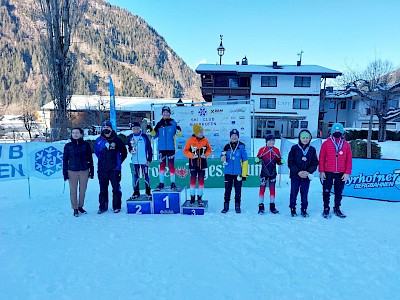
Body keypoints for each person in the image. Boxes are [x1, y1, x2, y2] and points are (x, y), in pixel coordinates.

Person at [319, 123, 352, 218]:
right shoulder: (326, 143)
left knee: (339, 192)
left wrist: (347, 173)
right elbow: (321, 157)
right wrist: (322, 171)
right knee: (326, 191)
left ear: (342, 132)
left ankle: (337, 208)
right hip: (328, 172)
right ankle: (326, 208)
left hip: (341, 173)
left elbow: (349, 160)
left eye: (339, 131)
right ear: (332, 132)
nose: (337, 133)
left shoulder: (346, 144)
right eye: (335, 131)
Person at [94, 120, 128, 214]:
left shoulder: (117, 140)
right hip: (102, 169)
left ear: (111, 128)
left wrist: (119, 161)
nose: (106, 129)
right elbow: (97, 153)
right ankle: (103, 207)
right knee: (103, 189)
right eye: (104, 128)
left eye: (107, 127)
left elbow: (124, 152)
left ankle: (116, 206)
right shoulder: (99, 140)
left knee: (116, 189)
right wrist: (103, 161)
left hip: (115, 169)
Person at [63, 127, 94, 217]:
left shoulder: (86, 145)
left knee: (83, 190)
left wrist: (91, 171)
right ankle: (75, 208)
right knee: (73, 191)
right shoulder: (68, 146)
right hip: (72, 171)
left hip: (84, 170)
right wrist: (65, 173)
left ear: (81, 134)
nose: (75, 134)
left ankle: (80, 206)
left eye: (77, 132)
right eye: (73, 133)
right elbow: (65, 160)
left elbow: (90, 159)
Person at [288, 130, 319, 217]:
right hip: (295, 175)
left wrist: (308, 172)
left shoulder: (312, 150)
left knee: (304, 193)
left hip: (306, 176)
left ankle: (304, 209)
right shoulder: (294, 148)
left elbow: (315, 163)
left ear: (310, 139)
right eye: (303, 138)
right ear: (300, 139)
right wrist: (298, 171)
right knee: (294, 192)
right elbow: (290, 162)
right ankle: (293, 209)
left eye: (307, 138)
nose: (305, 139)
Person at [151, 106, 182, 190]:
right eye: (164, 112)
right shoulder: (159, 123)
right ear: (162, 114)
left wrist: (179, 129)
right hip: (161, 148)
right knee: (162, 165)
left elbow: (179, 134)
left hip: (171, 147)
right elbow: (154, 135)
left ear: (169, 113)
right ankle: (161, 183)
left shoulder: (173, 122)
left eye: (167, 112)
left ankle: (172, 182)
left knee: (171, 165)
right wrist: (151, 129)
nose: (166, 114)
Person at [183, 124, 212, 207]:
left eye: (202, 132)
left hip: (202, 164)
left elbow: (209, 149)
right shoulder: (190, 141)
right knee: (192, 181)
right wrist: (192, 155)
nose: (201, 134)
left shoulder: (205, 140)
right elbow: (185, 151)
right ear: (195, 133)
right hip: (193, 164)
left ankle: (200, 197)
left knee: (201, 181)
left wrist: (205, 155)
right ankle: (192, 197)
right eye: (200, 132)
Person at [221, 129, 248, 213]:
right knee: (227, 190)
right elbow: (222, 156)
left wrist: (244, 174)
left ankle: (237, 206)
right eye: (232, 135)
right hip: (228, 172)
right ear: (230, 136)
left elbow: (245, 160)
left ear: (238, 136)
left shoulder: (242, 146)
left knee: (238, 190)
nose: (234, 137)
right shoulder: (226, 146)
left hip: (238, 173)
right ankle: (226, 206)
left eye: (236, 135)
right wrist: (222, 158)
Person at [255, 134, 283, 214]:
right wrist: (257, 160)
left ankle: (272, 206)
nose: (271, 142)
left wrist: (281, 162)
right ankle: (261, 206)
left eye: (273, 140)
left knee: (272, 189)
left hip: (273, 173)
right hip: (264, 173)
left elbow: (278, 161)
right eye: (269, 140)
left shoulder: (276, 150)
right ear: (266, 141)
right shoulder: (262, 150)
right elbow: (258, 160)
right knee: (262, 189)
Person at [128, 122, 153, 199]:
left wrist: (149, 159)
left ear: (140, 129)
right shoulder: (130, 137)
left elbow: (149, 148)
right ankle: (136, 192)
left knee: (146, 176)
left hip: (144, 161)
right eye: (134, 129)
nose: (136, 130)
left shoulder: (144, 137)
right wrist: (130, 150)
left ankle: (148, 192)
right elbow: (129, 147)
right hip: (135, 161)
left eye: (137, 129)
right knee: (136, 176)